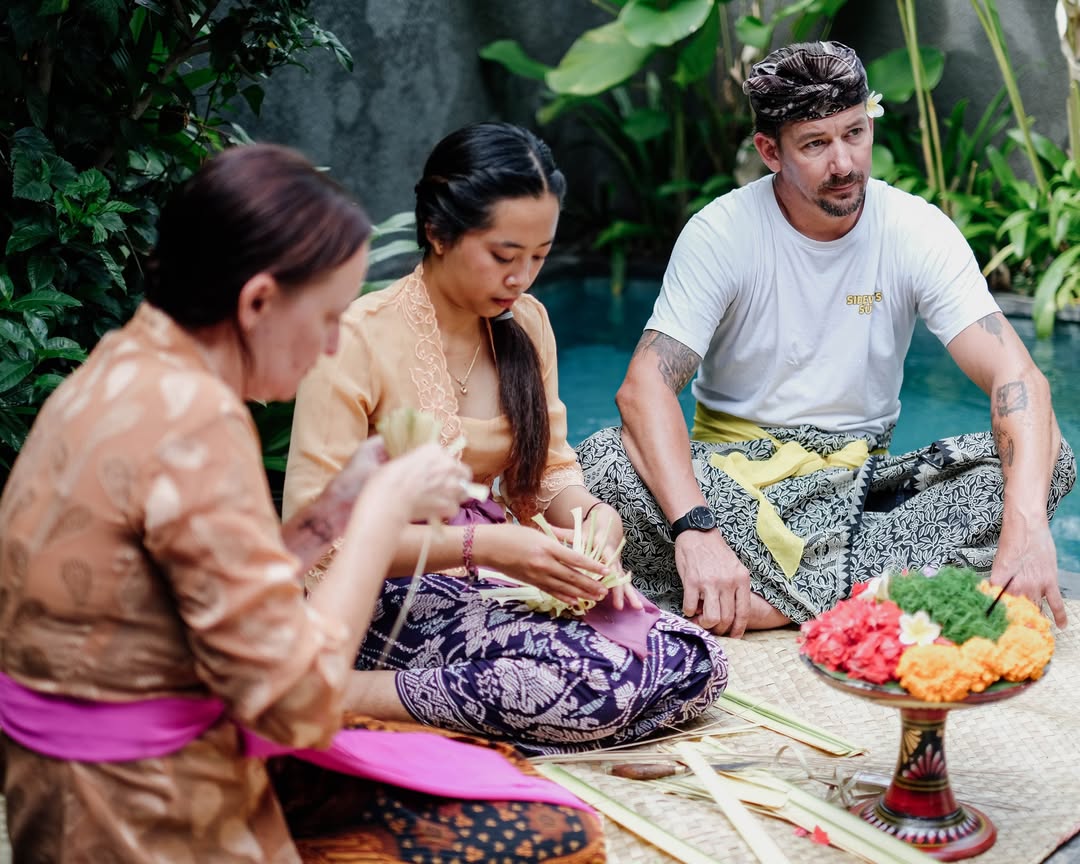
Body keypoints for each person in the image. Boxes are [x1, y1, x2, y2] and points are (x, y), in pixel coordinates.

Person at [0, 144, 605, 862]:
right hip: (145, 811)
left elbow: (218, 592)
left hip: (78, 781)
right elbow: (299, 708)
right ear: (258, 301)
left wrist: (332, 513)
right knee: (555, 833)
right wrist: (382, 509)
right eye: (323, 318)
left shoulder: (123, 367)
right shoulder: (198, 426)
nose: (327, 346)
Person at [577, 41, 1076, 639]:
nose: (845, 162)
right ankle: (856, 590)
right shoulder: (721, 234)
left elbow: (1017, 378)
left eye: (855, 134)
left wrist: (1024, 525)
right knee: (602, 462)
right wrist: (698, 530)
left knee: (1045, 453)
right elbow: (643, 391)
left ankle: (772, 602)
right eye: (816, 144)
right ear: (769, 151)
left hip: (861, 481)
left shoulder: (916, 230)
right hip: (733, 482)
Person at [284, 121, 728, 756]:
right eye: (503, 255)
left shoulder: (528, 324)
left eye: (540, 256)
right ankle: (342, 691)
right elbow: (320, 538)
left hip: (483, 570)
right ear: (438, 232)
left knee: (694, 659)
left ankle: (459, 695)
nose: (522, 276)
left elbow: (550, 474)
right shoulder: (355, 340)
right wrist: (486, 546)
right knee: (596, 678)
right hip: (373, 597)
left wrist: (594, 520)